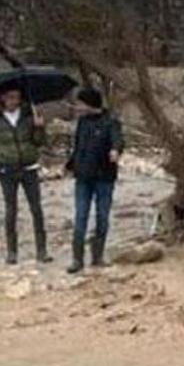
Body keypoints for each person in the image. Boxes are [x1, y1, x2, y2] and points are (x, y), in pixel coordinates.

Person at [66, 88, 124, 273]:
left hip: (104, 178)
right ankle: (77, 260)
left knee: (102, 217)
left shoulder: (111, 122)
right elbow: (78, 147)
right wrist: (69, 165)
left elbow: (118, 141)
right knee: (80, 217)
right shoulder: (82, 122)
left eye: (81, 104)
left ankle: (97, 256)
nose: (78, 107)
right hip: (82, 178)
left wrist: (115, 151)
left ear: (91, 104)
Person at [0, 83, 50, 265]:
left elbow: (40, 142)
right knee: (11, 210)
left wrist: (39, 127)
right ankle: (12, 251)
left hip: (29, 168)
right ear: (3, 98)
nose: (15, 101)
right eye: (11, 97)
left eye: (17, 97)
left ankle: (42, 250)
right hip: (7, 170)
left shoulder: (29, 116)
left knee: (36, 209)